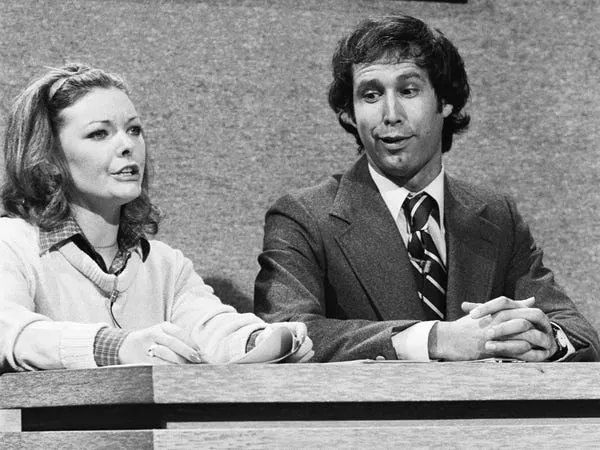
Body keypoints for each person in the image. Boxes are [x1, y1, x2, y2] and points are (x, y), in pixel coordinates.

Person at [254, 15, 600, 362]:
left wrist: (543, 338)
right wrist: (434, 339)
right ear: (350, 113)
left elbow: (579, 334)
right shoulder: (303, 217)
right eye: (371, 95)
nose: (390, 114)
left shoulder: (497, 215)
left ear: (445, 102)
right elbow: (285, 334)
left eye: (408, 90)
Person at [0, 63, 313, 372]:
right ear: (48, 155)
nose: (128, 146)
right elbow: (14, 334)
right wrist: (118, 347)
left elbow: (210, 327)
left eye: (134, 130)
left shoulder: (165, 265)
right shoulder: (11, 244)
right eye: (99, 133)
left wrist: (261, 340)